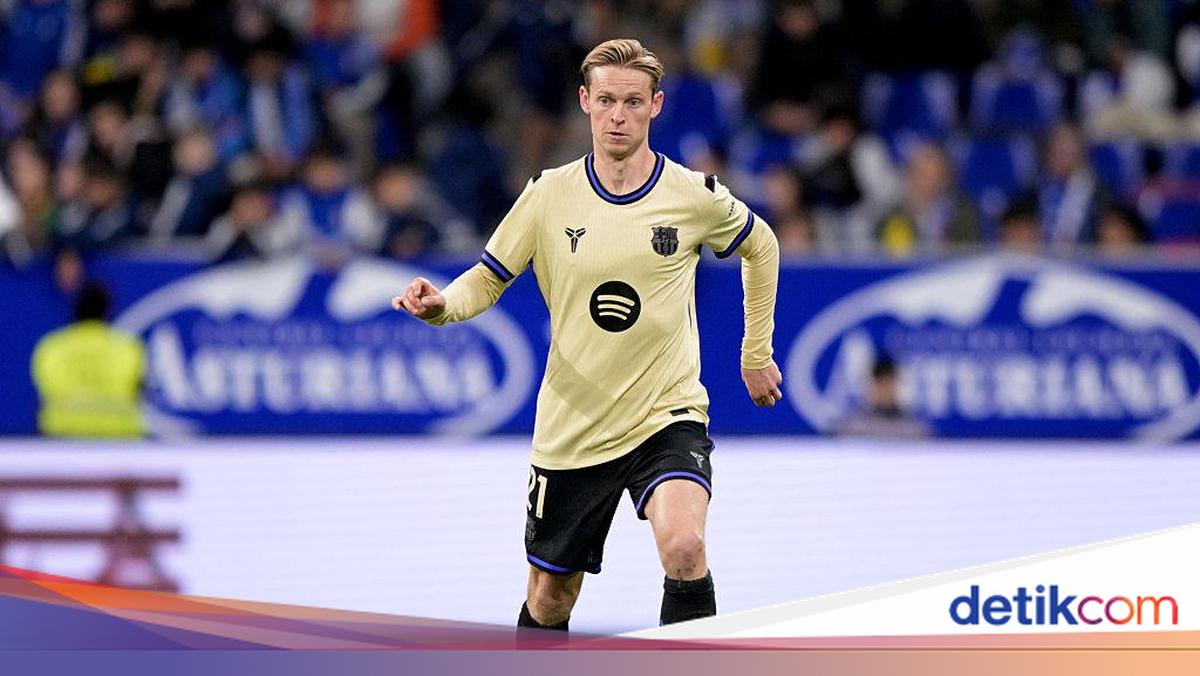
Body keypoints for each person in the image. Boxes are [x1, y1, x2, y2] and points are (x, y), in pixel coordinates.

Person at [393, 38, 781, 631]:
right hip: (573, 426)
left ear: (655, 106)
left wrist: (755, 353)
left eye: (632, 101)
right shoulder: (548, 194)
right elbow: (489, 277)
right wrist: (442, 306)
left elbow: (762, 245)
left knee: (685, 547)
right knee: (551, 598)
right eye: (606, 101)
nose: (618, 115)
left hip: (666, 413)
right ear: (585, 102)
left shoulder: (692, 195)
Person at [31, 282, 146, 438]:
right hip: (117, 436)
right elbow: (140, 391)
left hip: (62, 435)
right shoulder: (128, 348)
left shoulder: (52, 346)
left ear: (75, 309)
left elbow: (42, 390)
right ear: (107, 310)